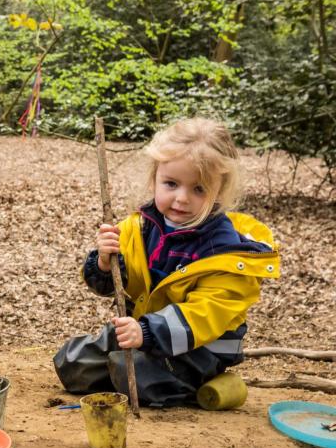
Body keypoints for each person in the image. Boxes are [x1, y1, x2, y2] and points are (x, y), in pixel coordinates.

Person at [53, 118, 280, 407]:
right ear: (154, 179)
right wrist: (104, 264)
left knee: (129, 372)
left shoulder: (229, 253)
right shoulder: (138, 228)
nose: (181, 198)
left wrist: (146, 332)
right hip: (142, 331)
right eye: (171, 184)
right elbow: (111, 287)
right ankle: (125, 367)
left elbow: (203, 314)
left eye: (198, 189)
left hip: (200, 347)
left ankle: (203, 385)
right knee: (72, 363)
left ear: (219, 192)